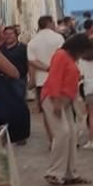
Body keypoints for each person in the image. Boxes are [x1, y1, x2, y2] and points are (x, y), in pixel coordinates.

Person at [39, 33, 93, 186]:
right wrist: (56, 100)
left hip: (65, 100)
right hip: (53, 98)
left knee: (71, 134)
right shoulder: (61, 55)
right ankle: (54, 172)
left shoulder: (69, 58)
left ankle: (70, 172)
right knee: (62, 133)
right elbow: (55, 77)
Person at [0, 25, 30, 146]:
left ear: (16, 35)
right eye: (6, 34)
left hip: (19, 80)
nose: (8, 36)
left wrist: (30, 77)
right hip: (3, 81)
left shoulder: (22, 48)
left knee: (20, 105)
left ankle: (21, 134)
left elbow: (28, 62)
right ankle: (8, 133)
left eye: (11, 33)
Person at [26, 16, 64, 146]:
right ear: (50, 23)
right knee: (61, 110)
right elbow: (63, 55)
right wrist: (54, 67)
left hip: (42, 81)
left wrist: (46, 68)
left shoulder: (33, 42)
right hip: (59, 79)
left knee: (47, 113)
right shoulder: (58, 38)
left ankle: (52, 139)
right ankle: (62, 136)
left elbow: (31, 61)